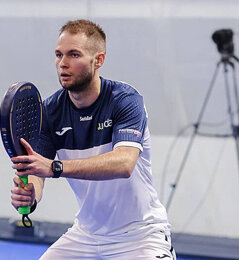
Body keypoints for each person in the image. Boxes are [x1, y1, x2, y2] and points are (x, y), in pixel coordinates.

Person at [10, 19, 175, 259]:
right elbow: (38, 169)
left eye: (74, 55)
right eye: (58, 54)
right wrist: (30, 194)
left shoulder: (125, 100)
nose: (62, 64)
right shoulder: (50, 111)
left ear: (98, 60)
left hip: (140, 237)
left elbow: (124, 163)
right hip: (85, 236)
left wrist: (56, 168)